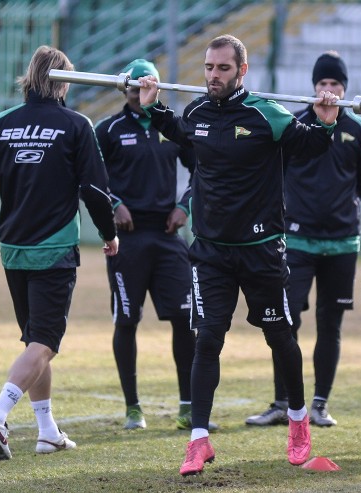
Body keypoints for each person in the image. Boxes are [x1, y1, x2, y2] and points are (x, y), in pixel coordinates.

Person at [137, 34, 340, 475]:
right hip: (210, 252)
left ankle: (299, 420)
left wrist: (325, 122)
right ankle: (198, 441)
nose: (213, 76)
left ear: (241, 71)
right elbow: (180, 132)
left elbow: (310, 148)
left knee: (279, 337)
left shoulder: (268, 113)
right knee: (207, 338)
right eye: (209, 68)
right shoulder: (197, 111)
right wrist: (152, 106)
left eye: (222, 69)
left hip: (261, 250)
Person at [0, 45, 118, 460]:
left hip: (13, 250)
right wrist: (109, 233)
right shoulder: (76, 125)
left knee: (34, 343)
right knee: (44, 343)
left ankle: (47, 431)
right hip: (54, 248)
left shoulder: (0, 124)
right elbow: (94, 189)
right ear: (63, 83)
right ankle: (0, 413)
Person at [244, 51, 361, 428]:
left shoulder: (360, 132)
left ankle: (319, 404)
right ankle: (282, 401)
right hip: (295, 241)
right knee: (285, 321)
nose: (329, 90)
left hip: (341, 243)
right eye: (323, 83)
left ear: (344, 88)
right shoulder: (294, 125)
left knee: (329, 324)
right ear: (314, 86)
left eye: (335, 84)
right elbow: (277, 170)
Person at [95, 59, 217, 432]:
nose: (137, 93)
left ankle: (187, 407)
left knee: (185, 320)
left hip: (167, 236)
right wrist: (114, 204)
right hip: (127, 240)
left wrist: (184, 206)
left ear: (157, 89)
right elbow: (91, 177)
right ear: (124, 89)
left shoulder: (172, 127)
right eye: (132, 87)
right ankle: (133, 408)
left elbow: (204, 168)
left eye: (145, 87)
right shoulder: (109, 130)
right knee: (127, 321)